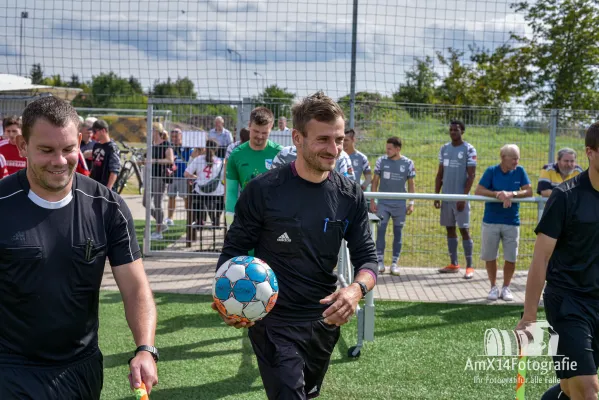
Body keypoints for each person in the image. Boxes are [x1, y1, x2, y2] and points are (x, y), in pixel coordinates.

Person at [213, 91, 378, 400]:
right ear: (297, 138)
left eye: (339, 140)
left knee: (308, 394)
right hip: (273, 320)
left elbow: (368, 260)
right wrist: (226, 294)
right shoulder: (263, 190)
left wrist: (355, 290)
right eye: (324, 140)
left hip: (323, 322)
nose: (334, 150)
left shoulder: (350, 195)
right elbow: (233, 250)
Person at [0, 96, 158, 398]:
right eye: (46, 150)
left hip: (81, 369)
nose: (59, 161)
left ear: (80, 142)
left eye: (68, 149)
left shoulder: (108, 206)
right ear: (23, 146)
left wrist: (145, 349)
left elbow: (136, 289)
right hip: (10, 368)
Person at [517, 123, 599, 400]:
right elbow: (541, 257)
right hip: (569, 302)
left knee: (570, 387)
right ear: (590, 152)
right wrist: (529, 317)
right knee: (587, 388)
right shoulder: (566, 196)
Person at [475, 144, 532, 301]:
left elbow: (529, 191)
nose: (516, 161)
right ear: (503, 158)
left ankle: (506, 287)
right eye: (513, 158)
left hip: (512, 222)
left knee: (511, 257)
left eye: (518, 158)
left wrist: (511, 193)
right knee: (490, 256)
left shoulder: (520, 171)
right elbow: (478, 190)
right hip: (491, 221)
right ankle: (493, 287)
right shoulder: (491, 171)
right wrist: (497, 194)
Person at [225, 107, 282, 228]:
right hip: (247, 219)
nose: (260, 136)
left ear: (271, 128)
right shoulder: (236, 155)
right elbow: (230, 192)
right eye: (256, 131)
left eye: (264, 132)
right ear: (249, 125)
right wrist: (230, 224)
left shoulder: (280, 154)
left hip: (274, 220)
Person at [435, 120, 477, 279]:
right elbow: (440, 174)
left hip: (460, 198)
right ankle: (454, 263)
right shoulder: (444, 149)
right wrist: (437, 194)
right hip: (446, 196)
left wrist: (463, 196)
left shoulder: (469, 149)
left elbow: (471, 175)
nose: (453, 132)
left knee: (464, 229)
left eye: (456, 130)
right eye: (451, 129)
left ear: (462, 131)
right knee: (449, 228)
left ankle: (470, 266)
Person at [370, 136, 415, 275]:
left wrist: (411, 203)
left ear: (398, 149)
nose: (387, 151)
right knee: (381, 231)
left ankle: (395, 263)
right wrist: (373, 200)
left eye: (390, 148)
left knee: (398, 233)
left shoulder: (408, 163)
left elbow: (411, 184)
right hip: (383, 202)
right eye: (386, 148)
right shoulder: (381, 161)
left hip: (400, 203)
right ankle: (380, 262)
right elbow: (375, 181)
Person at [143, 124, 174, 240]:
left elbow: (170, 160)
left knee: (157, 204)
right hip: (149, 177)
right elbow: (146, 159)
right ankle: (162, 223)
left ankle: (158, 231)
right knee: (145, 202)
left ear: (156, 131)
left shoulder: (166, 144)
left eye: (150, 130)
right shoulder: (151, 145)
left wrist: (154, 161)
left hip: (159, 177)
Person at [184, 139, 225, 228]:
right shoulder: (220, 161)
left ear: (205, 148)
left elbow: (186, 174)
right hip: (217, 193)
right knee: (222, 195)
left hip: (201, 192)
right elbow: (223, 178)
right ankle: (217, 217)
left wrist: (197, 178)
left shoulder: (198, 159)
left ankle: (199, 220)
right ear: (216, 149)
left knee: (195, 195)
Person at [164, 128, 193, 226]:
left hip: (184, 177)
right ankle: (170, 218)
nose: (174, 139)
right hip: (172, 177)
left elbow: (194, 157)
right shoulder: (169, 147)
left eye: (176, 136)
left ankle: (190, 218)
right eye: (172, 137)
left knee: (186, 198)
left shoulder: (188, 147)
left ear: (181, 136)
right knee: (171, 197)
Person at [89, 119, 121, 191]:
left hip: (105, 188)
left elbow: (114, 170)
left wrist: (108, 189)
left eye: (95, 131)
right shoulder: (96, 146)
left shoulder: (112, 148)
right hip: (94, 185)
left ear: (103, 131)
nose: (93, 134)